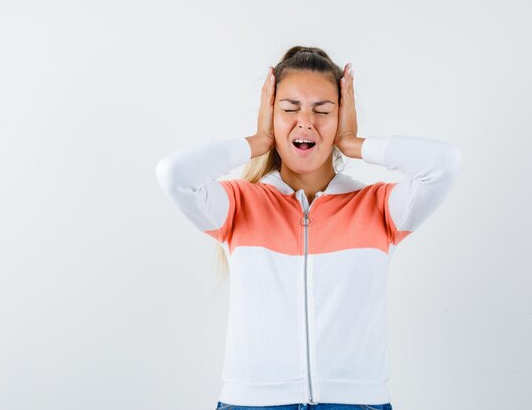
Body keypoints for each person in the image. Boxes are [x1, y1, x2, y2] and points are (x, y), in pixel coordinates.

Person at [155, 46, 462, 410]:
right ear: (271, 116)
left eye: (322, 110)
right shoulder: (239, 205)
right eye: (289, 109)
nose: (306, 121)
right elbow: (174, 175)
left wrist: (353, 143)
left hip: (356, 403)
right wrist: (258, 141)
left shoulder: (378, 207)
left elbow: (444, 165)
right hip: (252, 403)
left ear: (340, 117)